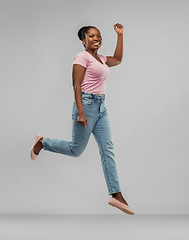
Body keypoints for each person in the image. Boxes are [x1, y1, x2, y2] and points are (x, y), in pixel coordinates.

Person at [30, 23, 134, 215]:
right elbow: (76, 85)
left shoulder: (101, 59)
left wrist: (120, 35)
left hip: (102, 107)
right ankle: (43, 142)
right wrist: (81, 112)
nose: (97, 39)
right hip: (85, 105)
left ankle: (116, 194)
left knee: (107, 149)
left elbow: (118, 59)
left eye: (99, 36)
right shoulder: (82, 57)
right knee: (75, 150)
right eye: (92, 36)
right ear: (83, 40)